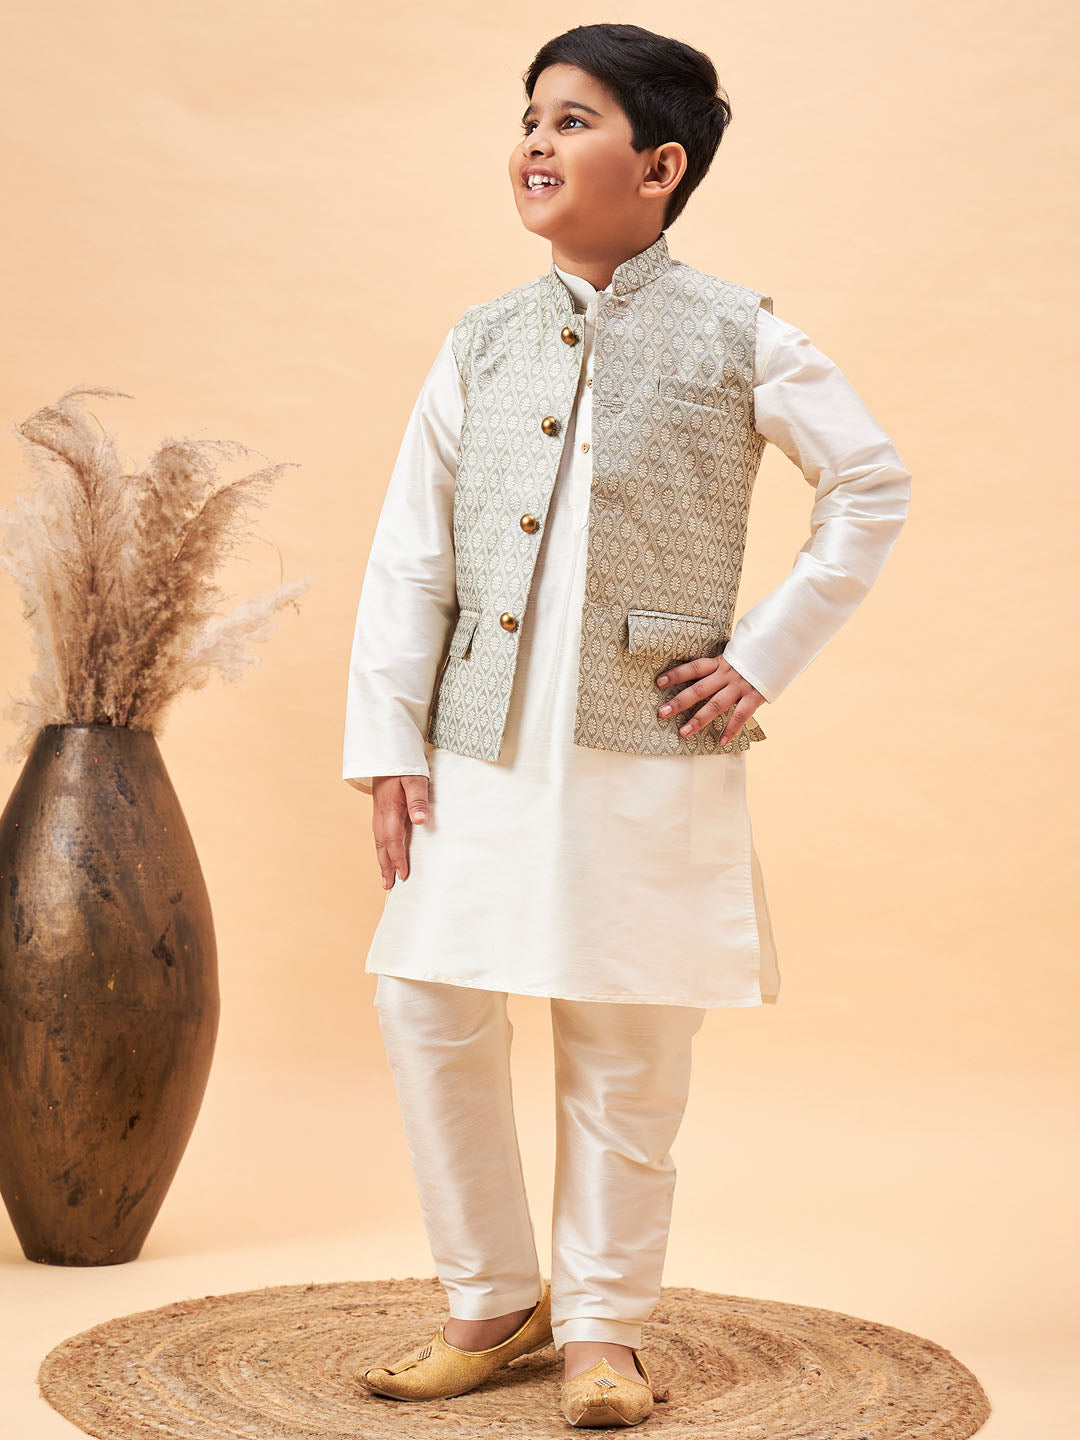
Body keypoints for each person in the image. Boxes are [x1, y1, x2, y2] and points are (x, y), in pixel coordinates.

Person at [342, 22, 911, 1429]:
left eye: (574, 120)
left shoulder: (739, 332)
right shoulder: (479, 342)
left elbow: (870, 485)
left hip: (648, 738)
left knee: (629, 1034)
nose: (536, 143)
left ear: (659, 168)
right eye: (530, 117)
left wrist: (761, 657)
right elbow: (411, 554)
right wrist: (388, 743)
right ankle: (490, 1295)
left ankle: (603, 1328)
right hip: (476, 742)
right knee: (428, 999)